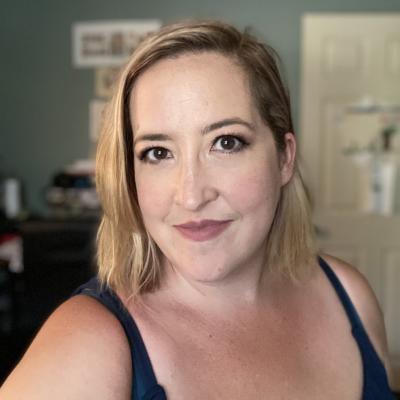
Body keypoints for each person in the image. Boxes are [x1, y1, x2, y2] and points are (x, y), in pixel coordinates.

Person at [0, 20, 395, 400]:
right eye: (158, 153)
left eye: (226, 143)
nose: (191, 196)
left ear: (284, 158)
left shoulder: (349, 295)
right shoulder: (89, 348)